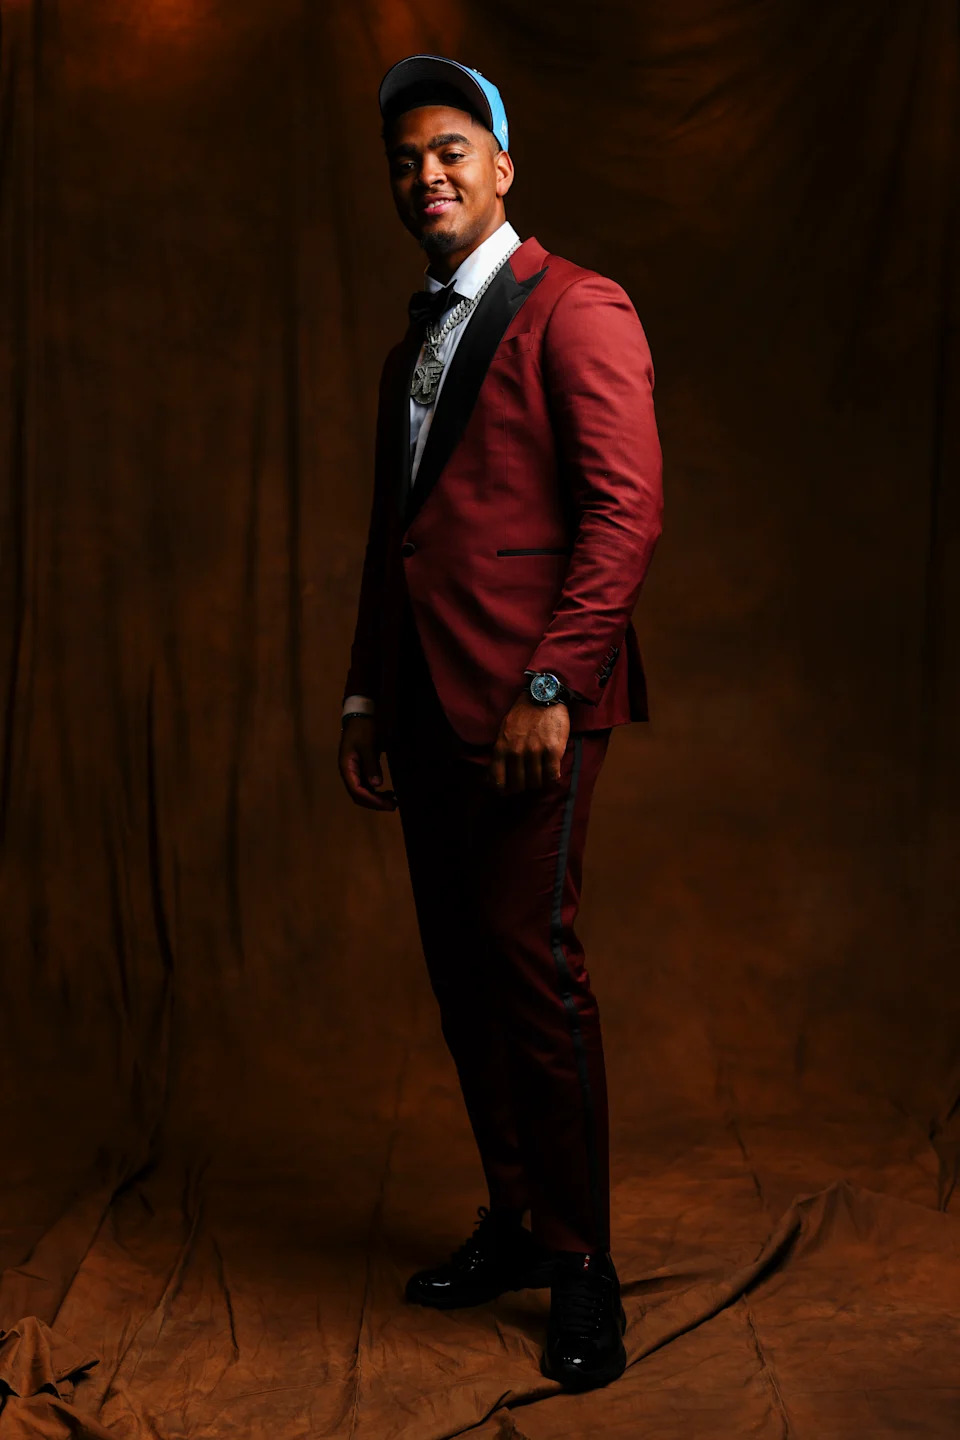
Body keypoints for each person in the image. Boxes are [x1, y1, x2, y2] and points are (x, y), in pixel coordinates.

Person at [338, 53, 663, 1392]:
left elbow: (623, 513)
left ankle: (584, 1267)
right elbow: (396, 543)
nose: (427, 174)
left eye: (452, 150)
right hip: (421, 709)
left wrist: (551, 685)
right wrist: (365, 688)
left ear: (503, 166)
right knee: (467, 983)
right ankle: (521, 1224)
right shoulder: (413, 343)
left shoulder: (579, 308)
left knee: (536, 981)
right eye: (408, 159)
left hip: (532, 708)